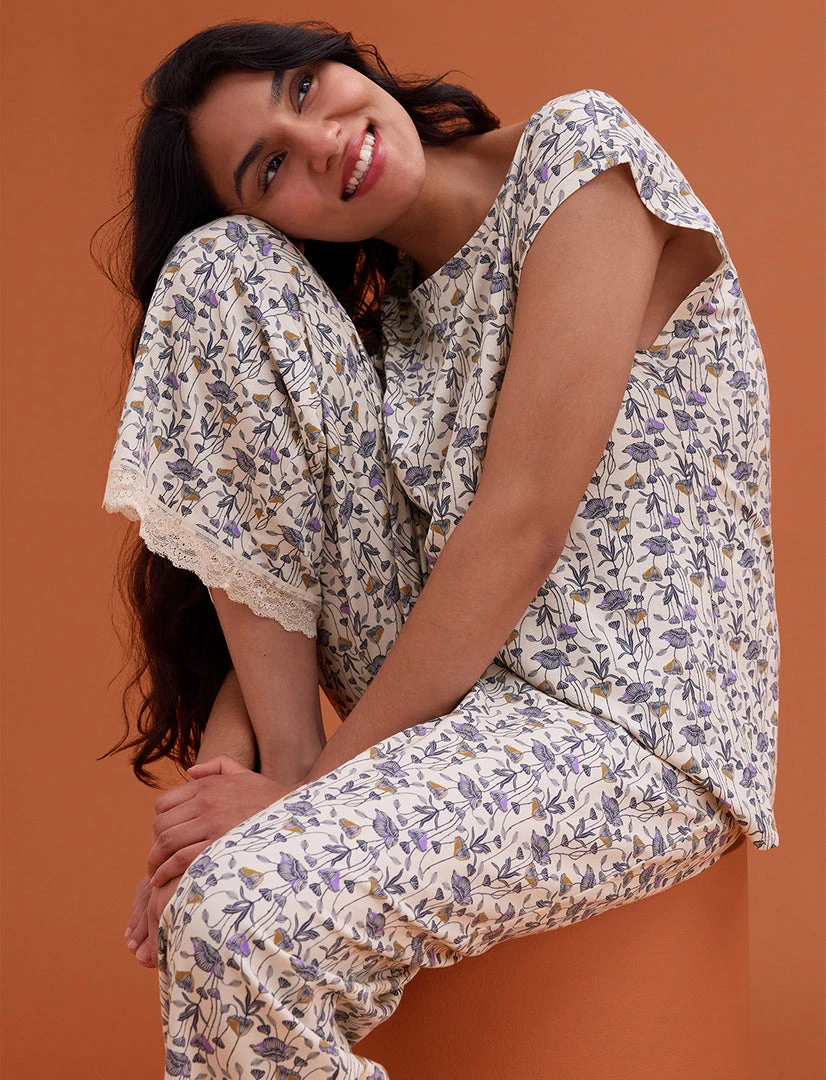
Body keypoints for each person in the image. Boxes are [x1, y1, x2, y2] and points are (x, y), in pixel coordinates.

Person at [103, 19, 779, 1078]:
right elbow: (273, 560)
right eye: (270, 169)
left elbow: (519, 527)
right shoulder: (391, 333)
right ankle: (291, 769)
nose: (324, 140)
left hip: (634, 724)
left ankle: (300, 793)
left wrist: (299, 809)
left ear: (346, 61)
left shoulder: (580, 157)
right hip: (459, 705)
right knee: (210, 272)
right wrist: (220, 795)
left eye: (303, 87)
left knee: (237, 921)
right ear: (281, 222)